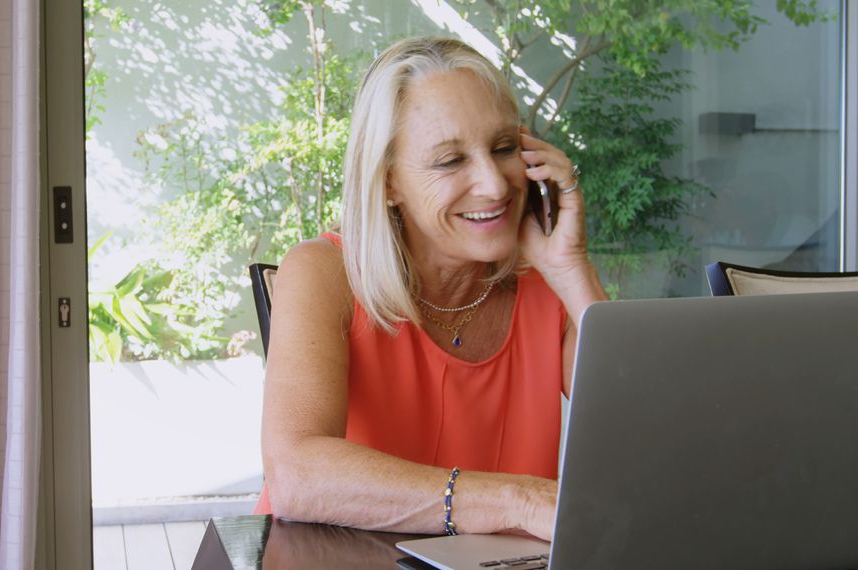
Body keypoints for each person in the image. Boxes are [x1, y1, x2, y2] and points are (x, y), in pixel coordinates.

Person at [256, 36, 607, 541]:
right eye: (450, 161)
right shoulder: (323, 271)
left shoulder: (548, 284)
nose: (494, 184)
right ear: (389, 183)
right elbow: (296, 475)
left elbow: (656, 447)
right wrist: (518, 501)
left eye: (504, 148)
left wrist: (573, 268)